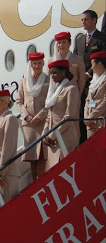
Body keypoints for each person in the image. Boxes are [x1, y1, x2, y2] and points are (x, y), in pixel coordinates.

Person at [73, 10, 106, 143]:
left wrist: (89, 74)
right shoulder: (80, 39)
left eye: (86, 19)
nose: (83, 22)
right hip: (82, 84)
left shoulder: (102, 38)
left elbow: (103, 59)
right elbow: (76, 60)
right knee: (82, 114)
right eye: (82, 20)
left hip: (97, 82)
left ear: (94, 20)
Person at [16, 52, 49, 180]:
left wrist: (40, 116)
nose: (37, 66)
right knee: (32, 159)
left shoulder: (48, 79)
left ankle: (42, 182)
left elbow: (50, 101)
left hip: (42, 123)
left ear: (43, 63)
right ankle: (35, 183)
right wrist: (27, 117)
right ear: (31, 64)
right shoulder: (24, 81)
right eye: (34, 63)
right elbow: (19, 101)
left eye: (39, 63)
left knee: (42, 156)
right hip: (29, 125)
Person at [42, 60, 79, 170]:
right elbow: (50, 115)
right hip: (52, 139)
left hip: (64, 137)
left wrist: (52, 135)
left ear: (64, 72)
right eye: (51, 73)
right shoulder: (55, 91)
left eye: (55, 72)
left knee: (65, 170)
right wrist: (45, 135)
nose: (52, 76)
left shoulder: (71, 89)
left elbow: (69, 117)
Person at [84, 51, 106, 137]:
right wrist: (86, 117)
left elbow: (105, 102)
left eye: (92, 64)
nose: (91, 68)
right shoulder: (93, 82)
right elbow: (88, 100)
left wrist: (92, 116)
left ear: (99, 64)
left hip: (101, 122)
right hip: (90, 124)